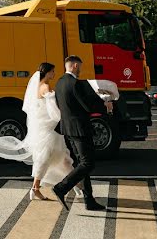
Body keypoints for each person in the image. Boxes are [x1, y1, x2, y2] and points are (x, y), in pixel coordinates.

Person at [0, 62, 84, 202]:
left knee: (60, 160)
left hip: (44, 128)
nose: (54, 74)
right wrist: (65, 115)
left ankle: (77, 187)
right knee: (49, 160)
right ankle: (40, 188)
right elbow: (53, 109)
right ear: (47, 72)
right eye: (53, 71)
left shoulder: (37, 86)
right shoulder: (45, 87)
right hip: (48, 130)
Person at [52, 55, 111, 211]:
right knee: (87, 163)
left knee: (81, 163)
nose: (81, 71)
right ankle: (61, 188)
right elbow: (87, 106)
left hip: (68, 129)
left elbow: (59, 105)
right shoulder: (75, 83)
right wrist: (105, 104)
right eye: (80, 67)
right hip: (80, 129)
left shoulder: (59, 83)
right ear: (75, 66)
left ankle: (89, 200)